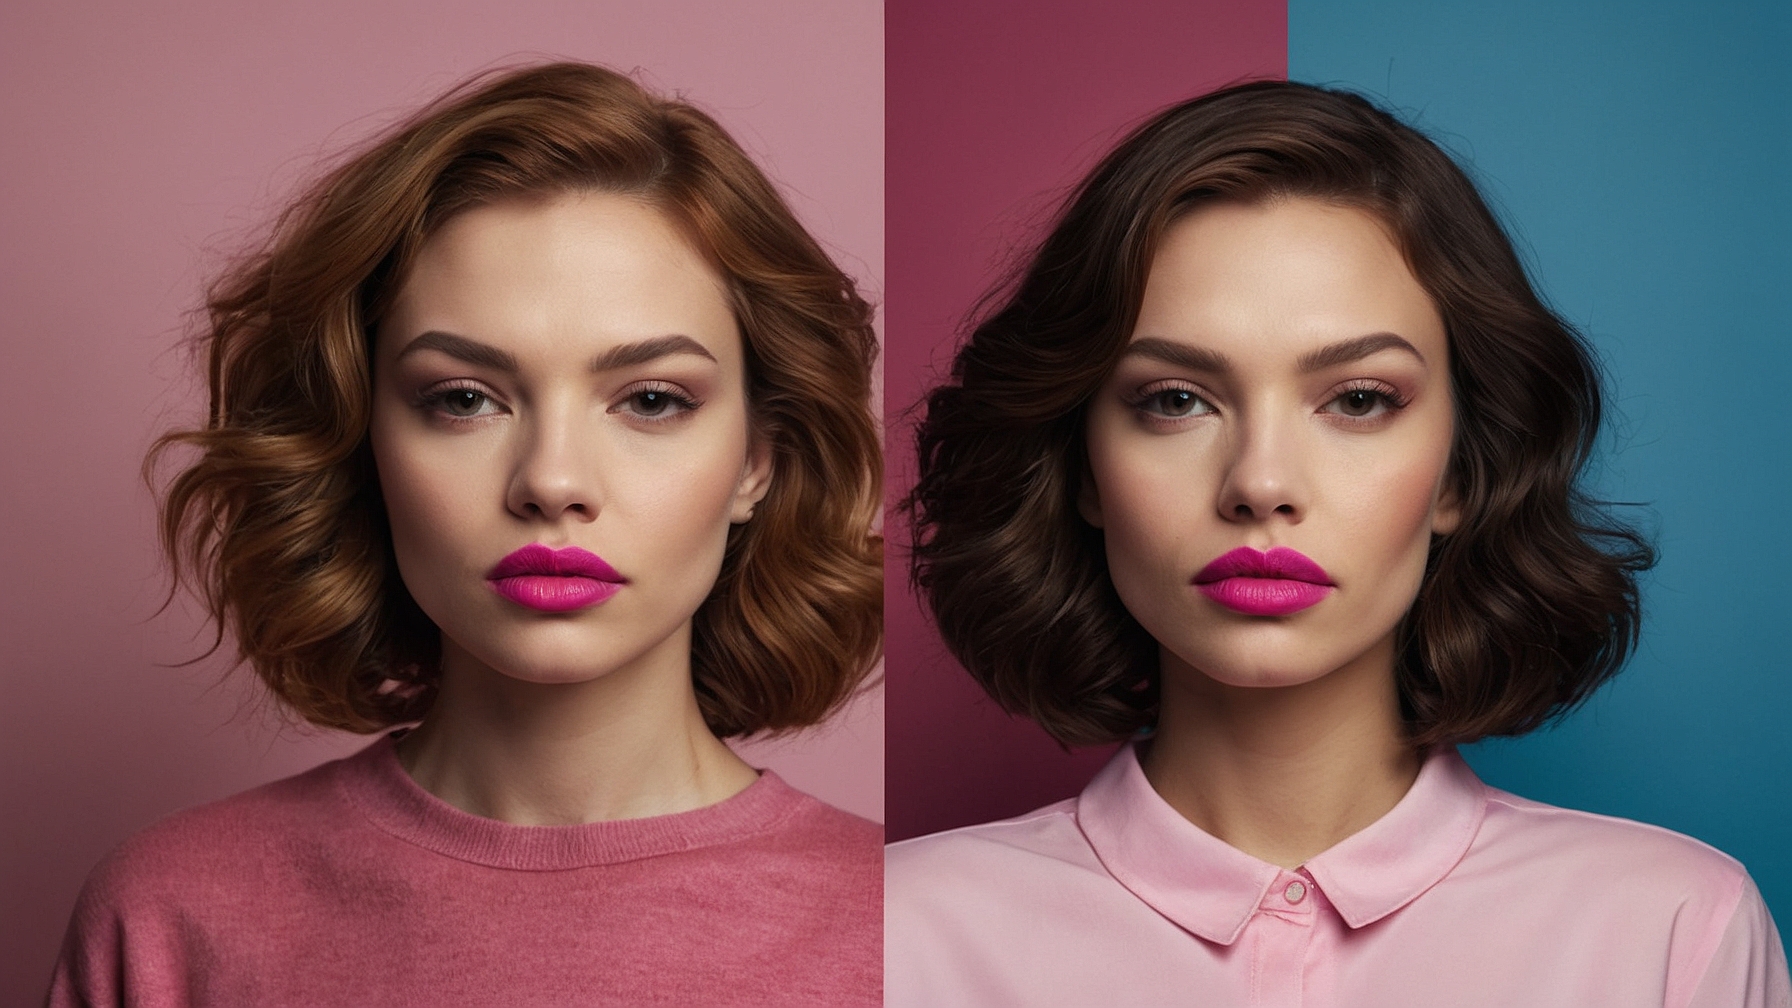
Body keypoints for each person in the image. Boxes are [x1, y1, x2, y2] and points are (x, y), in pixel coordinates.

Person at [887, 80, 1789, 1007]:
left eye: (1358, 400)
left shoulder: (1674, 933)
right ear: (1084, 468)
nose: (1261, 483)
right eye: (1176, 400)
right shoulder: (902, 936)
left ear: (1460, 470)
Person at [49, 62, 882, 1007]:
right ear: (362, 437)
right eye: (464, 399)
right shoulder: (171, 918)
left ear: (757, 461)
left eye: (651, 400)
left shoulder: (898, 931)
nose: (552, 482)